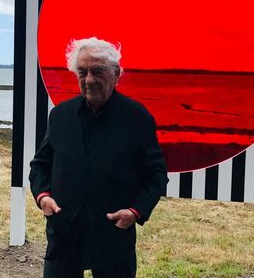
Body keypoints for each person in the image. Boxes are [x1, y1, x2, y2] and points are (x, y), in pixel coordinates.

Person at [29, 37, 169, 278]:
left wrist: (134, 212)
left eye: (98, 71)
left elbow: (156, 176)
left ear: (116, 75)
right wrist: (43, 197)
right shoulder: (61, 115)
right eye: (82, 72)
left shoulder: (137, 118)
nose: (89, 80)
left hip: (113, 231)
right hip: (64, 229)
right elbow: (40, 166)